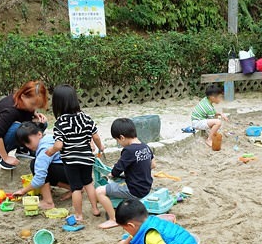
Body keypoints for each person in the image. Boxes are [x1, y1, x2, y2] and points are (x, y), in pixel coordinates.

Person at [45, 84, 105, 222]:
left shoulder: (60, 123)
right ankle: (95, 209)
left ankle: (79, 215)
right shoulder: (86, 118)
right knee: (89, 183)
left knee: (76, 188)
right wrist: (101, 147)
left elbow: (59, 145)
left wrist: (51, 151)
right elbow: (95, 137)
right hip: (87, 157)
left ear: (57, 104)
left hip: (71, 161)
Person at [97, 118, 155, 229]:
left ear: (122, 137)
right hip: (146, 186)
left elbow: (116, 170)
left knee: (99, 191)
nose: (119, 143)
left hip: (134, 190)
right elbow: (153, 165)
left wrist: (111, 174)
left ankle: (113, 219)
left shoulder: (128, 150)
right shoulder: (145, 147)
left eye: (117, 140)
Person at [0, 80, 48, 170]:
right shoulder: (10, 110)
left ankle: (23, 149)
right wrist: (5, 157)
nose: (34, 108)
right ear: (23, 96)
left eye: (37, 106)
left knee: (42, 123)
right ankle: (0, 156)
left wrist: (35, 116)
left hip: (4, 135)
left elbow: (26, 116)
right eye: (33, 104)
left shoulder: (25, 104)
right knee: (18, 128)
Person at [12, 122, 72, 209]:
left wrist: (23, 191)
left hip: (72, 172)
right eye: (25, 144)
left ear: (39, 134)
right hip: (77, 171)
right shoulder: (49, 138)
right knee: (43, 167)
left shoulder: (44, 148)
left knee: (36, 166)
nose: (28, 146)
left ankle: (48, 202)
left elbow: (40, 178)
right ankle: (74, 188)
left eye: (28, 142)